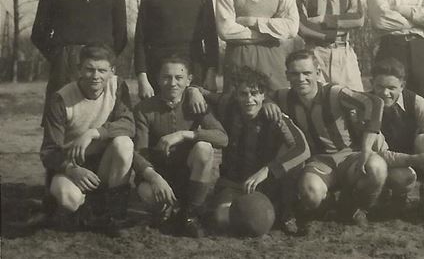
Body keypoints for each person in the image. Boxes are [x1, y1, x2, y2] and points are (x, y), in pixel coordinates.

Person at [266, 50, 387, 228]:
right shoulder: (284, 97)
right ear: (287, 75)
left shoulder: (335, 93)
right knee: (311, 194)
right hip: (318, 162)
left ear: (317, 72)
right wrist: (267, 102)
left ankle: (358, 208)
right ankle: (331, 205)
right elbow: (263, 95)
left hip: (349, 156)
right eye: (295, 74)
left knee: (376, 168)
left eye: (306, 73)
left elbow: (375, 103)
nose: (301, 79)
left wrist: (367, 149)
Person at [199, 66, 310, 235]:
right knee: (223, 220)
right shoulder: (227, 105)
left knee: (261, 219)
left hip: (267, 184)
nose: (249, 99)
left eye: (255, 93)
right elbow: (202, 93)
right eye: (243, 94)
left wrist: (268, 170)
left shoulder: (274, 116)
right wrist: (193, 91)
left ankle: (287, 211)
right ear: (236, 95)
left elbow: (302, 148)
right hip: (233, 184)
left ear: (264, 95)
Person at [31, 0, 127, 125]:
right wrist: (61, 57)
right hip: (66, 66)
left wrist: (105, 61)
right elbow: (39, 33)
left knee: (102, 122)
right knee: (62, 120)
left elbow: (121, 36)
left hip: (101, 65)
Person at [40, 43, 134, 237]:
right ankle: (86, 213)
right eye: (89, 69)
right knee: (68, 198)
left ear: (112, 71)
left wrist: (93, 133)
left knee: (124, 143)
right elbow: (49, 150)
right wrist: (71, 169)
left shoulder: (117, 86)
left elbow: (128, 124)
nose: (96, 76)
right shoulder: (61, 98)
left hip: (103, 163)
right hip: (71, 164)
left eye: (102, 70)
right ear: (78, 69)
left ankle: (115, 215)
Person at [133, 56, 228, 238]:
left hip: (188, 177)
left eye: (179, 77)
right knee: (146, 192)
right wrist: (154, 178)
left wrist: (185, 134)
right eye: (167, 77)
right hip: (159, 177)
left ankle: (190, 215)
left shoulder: (195, 104)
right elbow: (138, 153)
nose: (172, 83)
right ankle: (167, 213)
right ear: (158, 79)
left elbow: (222, 138)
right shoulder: (144, 109)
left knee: (204, 148)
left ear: (189, 80)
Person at [370, 58, 424, 223]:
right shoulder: (365, 105)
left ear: (402, 86)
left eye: (392, 88)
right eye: (380, 87)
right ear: (371, 83)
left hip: (418, 160)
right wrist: (412, 160)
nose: (385, 93)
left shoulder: (417, 103)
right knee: (400, 177)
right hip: (388, 163)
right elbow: (376, 152)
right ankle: (394, 199)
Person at [134, 0, 218, 99]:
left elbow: (210, 38)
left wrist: (211, 72)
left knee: (194, 115)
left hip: (194, 67)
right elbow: (140, 40)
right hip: (157, 68)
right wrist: (142, 78)